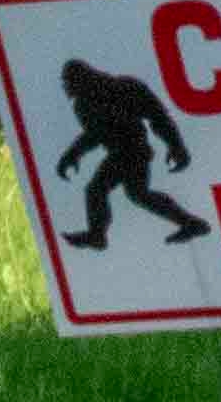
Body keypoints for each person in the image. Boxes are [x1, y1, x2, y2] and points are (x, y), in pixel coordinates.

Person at [49, 54, 201, 253]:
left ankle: (97, 236)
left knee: (101, 190)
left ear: (81, 79)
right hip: (122, 152)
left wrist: (176, 145)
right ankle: (190, 223)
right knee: (135, 194)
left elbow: (157, 117)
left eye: (68, 82)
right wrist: (72, 155)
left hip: (133, 151)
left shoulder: (121, 88)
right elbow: (95, 135)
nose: (66, 87)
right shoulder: (84, 103)